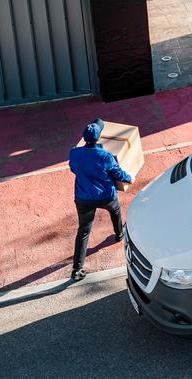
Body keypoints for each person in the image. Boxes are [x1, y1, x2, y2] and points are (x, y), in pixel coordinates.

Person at [68, 119, 132, 281]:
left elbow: (73, 169)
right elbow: (118, 174)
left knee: (83, 231)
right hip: (105, 196)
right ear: (98, 138)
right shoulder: (105, 156)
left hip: (83, 198)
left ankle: (77, 268)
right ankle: (119, 234)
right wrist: (129, 178)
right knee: (115, 211)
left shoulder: (74, 153)